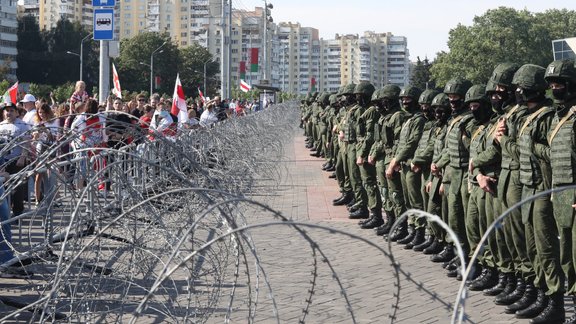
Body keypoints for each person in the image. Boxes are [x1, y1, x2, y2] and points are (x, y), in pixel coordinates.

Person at [0, 103, 31, 218]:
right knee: (4, 188)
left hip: (17, 160)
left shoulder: (22, 125)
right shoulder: (1, 125)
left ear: (16, 112)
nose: (9, 113)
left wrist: (23, 157)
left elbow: (26, 142)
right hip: (3, 161)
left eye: (11, 110)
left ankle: (17, 212)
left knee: (17, 188)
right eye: (7, 111)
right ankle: (5, 213)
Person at [32, 104, 59, 204]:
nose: (42, 114)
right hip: (40, 150)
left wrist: (46, 131)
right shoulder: (37, 123)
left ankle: (52, 198)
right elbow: (34, 138)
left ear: (48, 112)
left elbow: (55, 137)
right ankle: (37, 198)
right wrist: (36, 135)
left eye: (43, 112)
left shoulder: (54, 122)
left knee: (51, 174)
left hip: (51, 149)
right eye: (40, 112)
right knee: (39, 174)